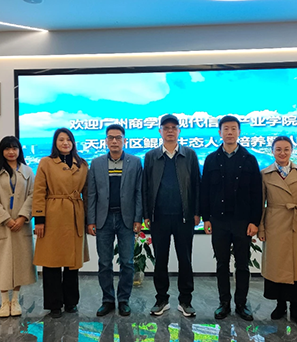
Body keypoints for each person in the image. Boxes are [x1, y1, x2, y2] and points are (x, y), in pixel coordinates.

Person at [201, 115, 262, 321]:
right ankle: (224, 303)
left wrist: (255, 221)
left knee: (242, 264)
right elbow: (205, 191)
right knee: (221, 263)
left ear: (239, 132)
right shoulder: (211, 159)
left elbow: (256, 193)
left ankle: (242, 304)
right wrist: (206, 218)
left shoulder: (249, 159)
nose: (229, 132)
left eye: (233, 128)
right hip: (218, 221)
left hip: (242, 221)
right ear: (219, 132)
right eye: (226, 128)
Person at [143, 114, 201, 317]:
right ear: (160, 131)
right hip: (158, 217)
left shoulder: (189, 155)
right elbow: (145, 187)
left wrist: (197, 212)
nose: (170, 131)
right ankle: (161, 299)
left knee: (185, 259)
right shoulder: (151, 156)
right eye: (166, 127)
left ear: (179, 131)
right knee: (160, 260)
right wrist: (146, 214)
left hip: (184, 217)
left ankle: (186, 301)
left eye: (173, 128)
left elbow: (196, 185)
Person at [87, 124, 143, 317]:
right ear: (105, 141)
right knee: (104, 263)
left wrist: (138, 218)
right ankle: (108, 300)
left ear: (124, 140)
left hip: (126, 219)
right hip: (103, 219)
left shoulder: (135, 162)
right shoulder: (96, 163)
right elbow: (92, 194)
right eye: (110, 137)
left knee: (127, 262)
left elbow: (139, 192)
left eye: (118, 137)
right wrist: (91, 220)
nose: (114, 141)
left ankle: (124, 300)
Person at [32, 128, 89, 318]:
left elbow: (88, 193)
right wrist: (39, 219)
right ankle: (54, 304)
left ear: (73, 142)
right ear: (55, 143)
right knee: (52, 261)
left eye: (68, 139)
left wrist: (89, 219)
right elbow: (39, 191)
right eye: (61, 139)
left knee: (72, 263)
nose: (65, 143)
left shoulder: (82, 164)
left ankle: (71, 302)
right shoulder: (46, 163)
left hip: (75, 214)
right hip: (53, 214)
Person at [258, 136, 297, 325]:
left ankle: (296, 308)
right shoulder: (265, 174)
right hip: (274, 223)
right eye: (278, 149)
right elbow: (261, 204)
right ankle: (280, 305)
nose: (282, 153)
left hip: (296, 223)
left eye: (286, 149)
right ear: (272, 151)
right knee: (277, 266)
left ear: (291, 151)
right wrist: (261, 228)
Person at [0, 136, 36, 318]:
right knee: (2, 262)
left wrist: (22, 217)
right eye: (7, 148)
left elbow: (32, 196)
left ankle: (15, 300)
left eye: (14, 148)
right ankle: (4, 301)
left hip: (21, 225)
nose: (11, 152)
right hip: (2, 226)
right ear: (2, 151)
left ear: (19, 150)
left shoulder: (27, 171)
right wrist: (6, 219)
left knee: (20, 262)